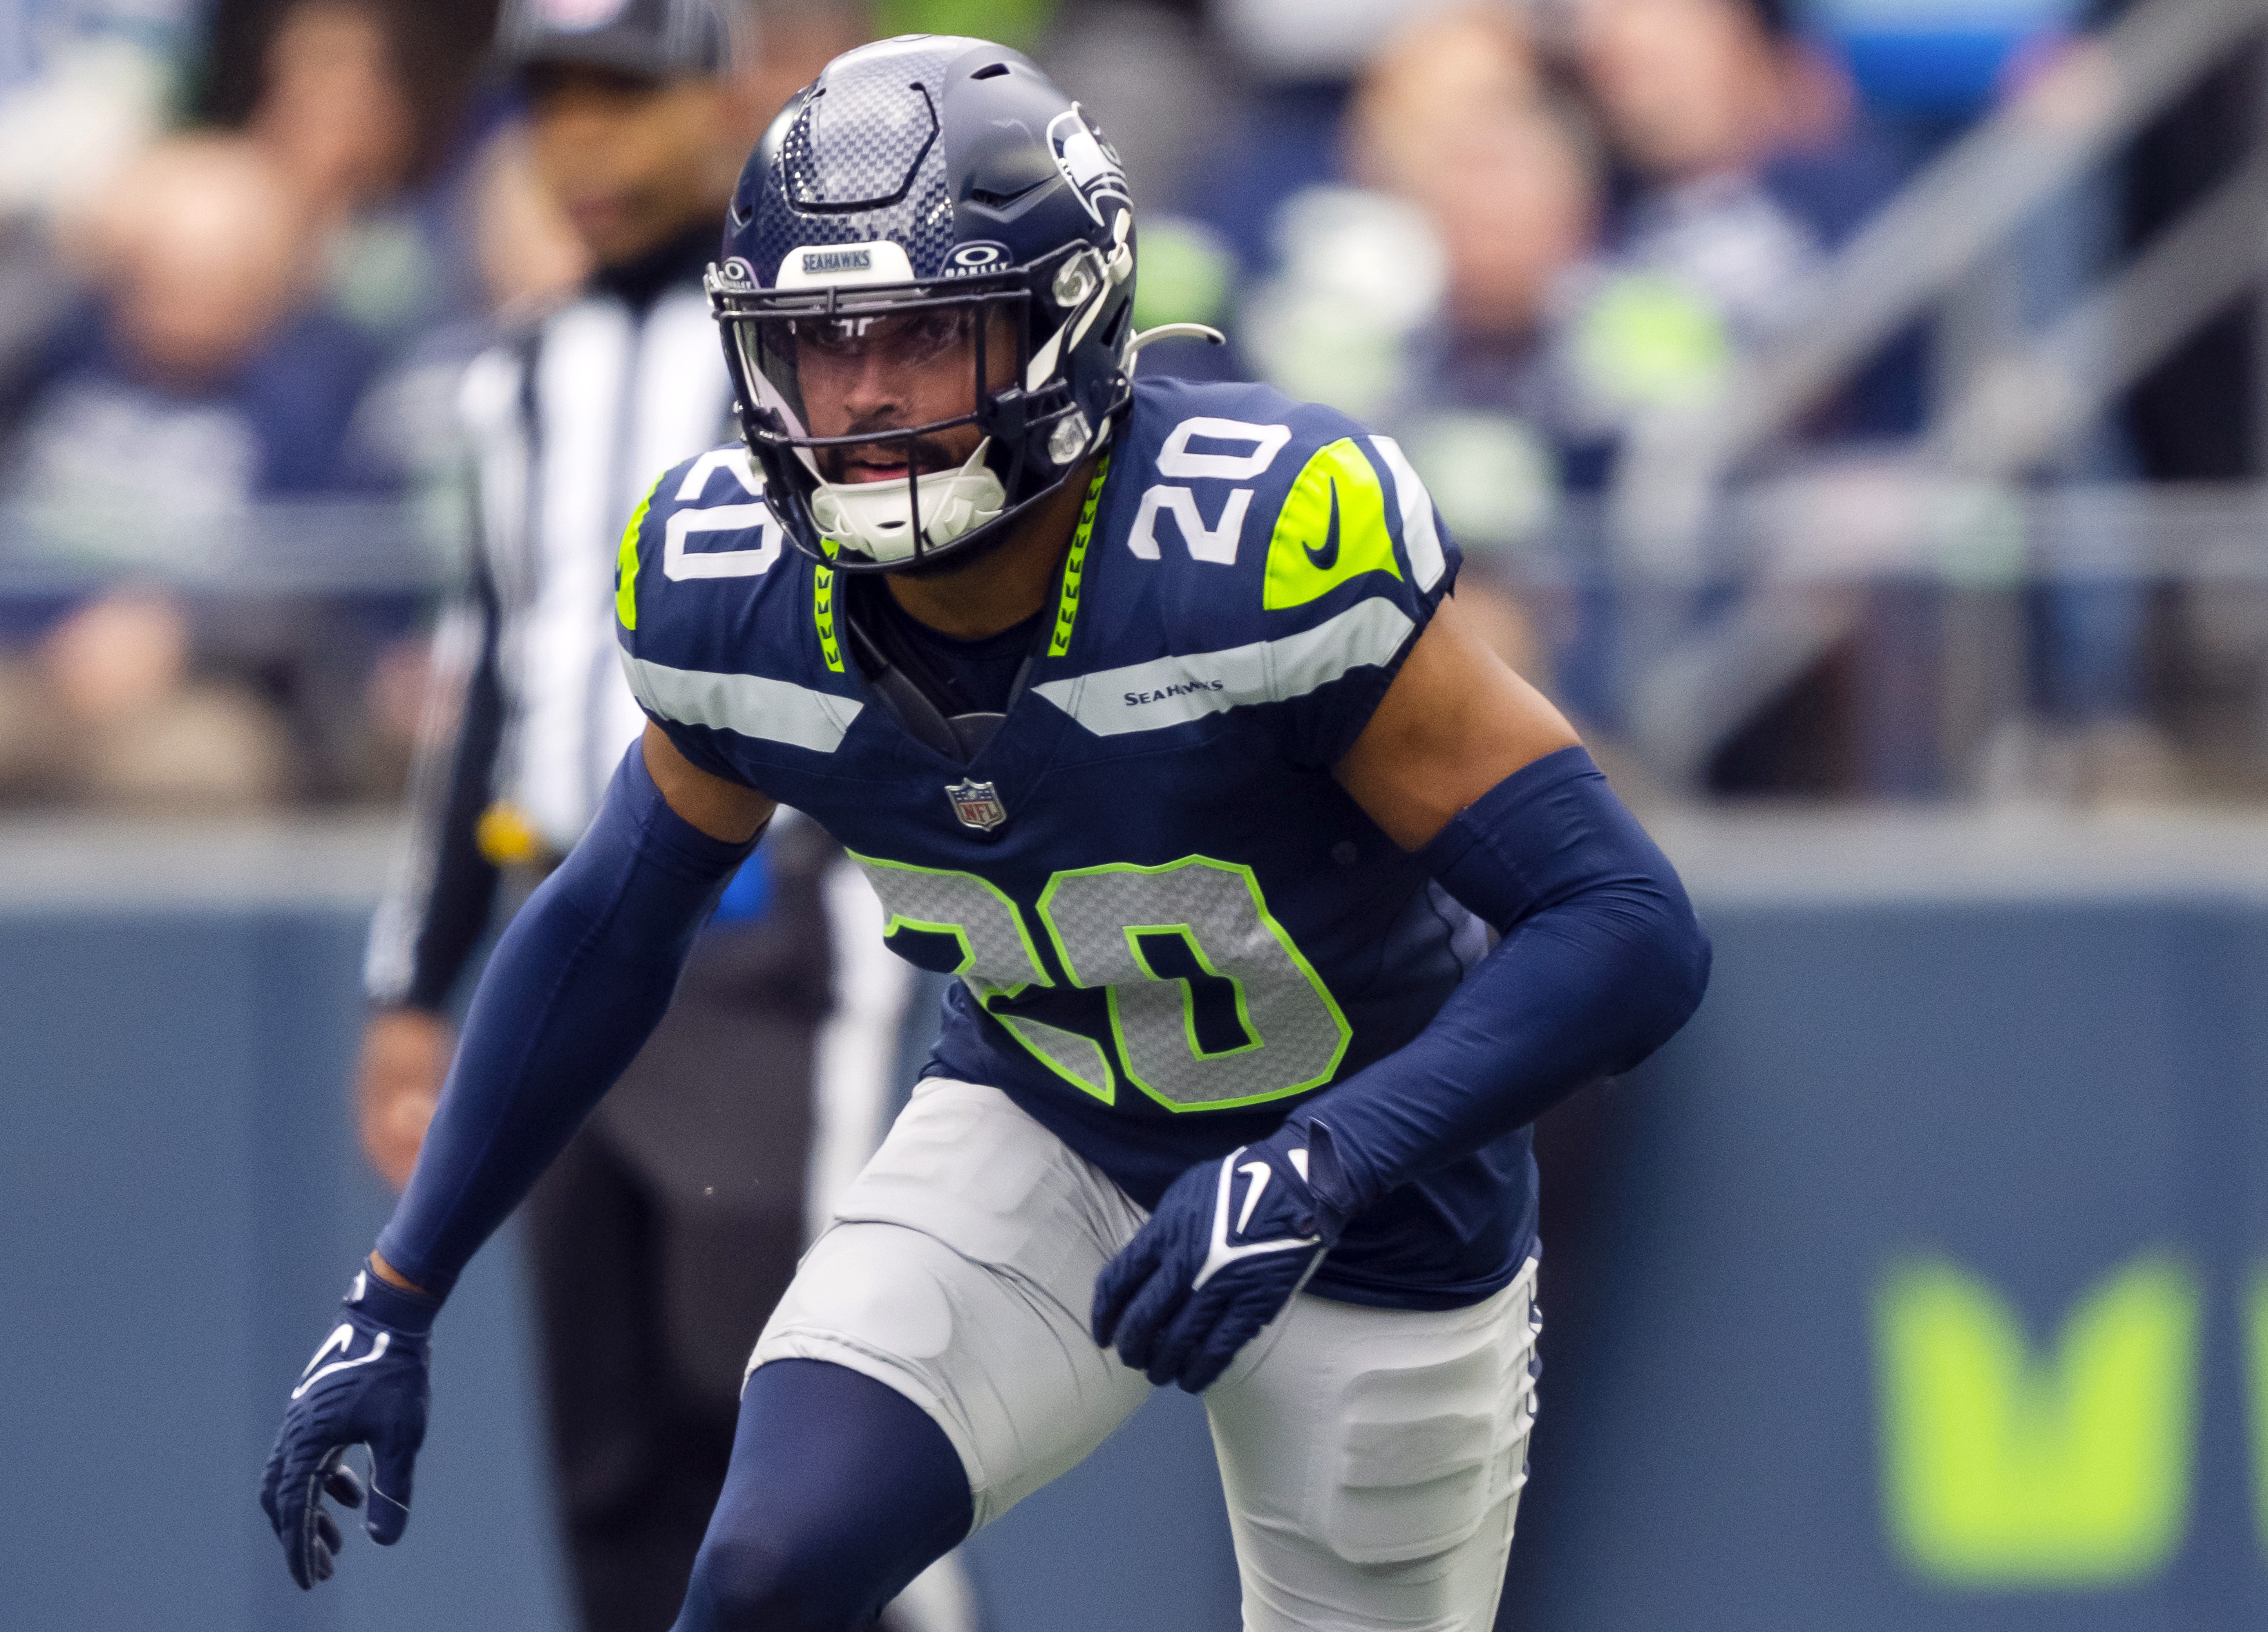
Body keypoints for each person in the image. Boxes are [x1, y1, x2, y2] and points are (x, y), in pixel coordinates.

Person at [270, 36, 1711, 1631]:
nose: (867, 393)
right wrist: (394, 1293)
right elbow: (609, 918)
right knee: (761, 1575)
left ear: (1062, 322)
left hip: (1382, 1185)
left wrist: (1325, 1155)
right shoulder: (732, 579)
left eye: (924, 333)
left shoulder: (1250, 540)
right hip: (1047, 1123)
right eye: (821, 345)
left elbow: (1625, 922)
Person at [352, 6, 955, 1629]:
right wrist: (416, 982)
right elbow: (486, 688)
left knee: (809, 1409)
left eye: (621, 93)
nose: (583, 140)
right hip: (569, 927)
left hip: (777, 927)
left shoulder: (825, 342)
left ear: (725, 99)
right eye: (551, 100)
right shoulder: (519, 377)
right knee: (610, 1446)